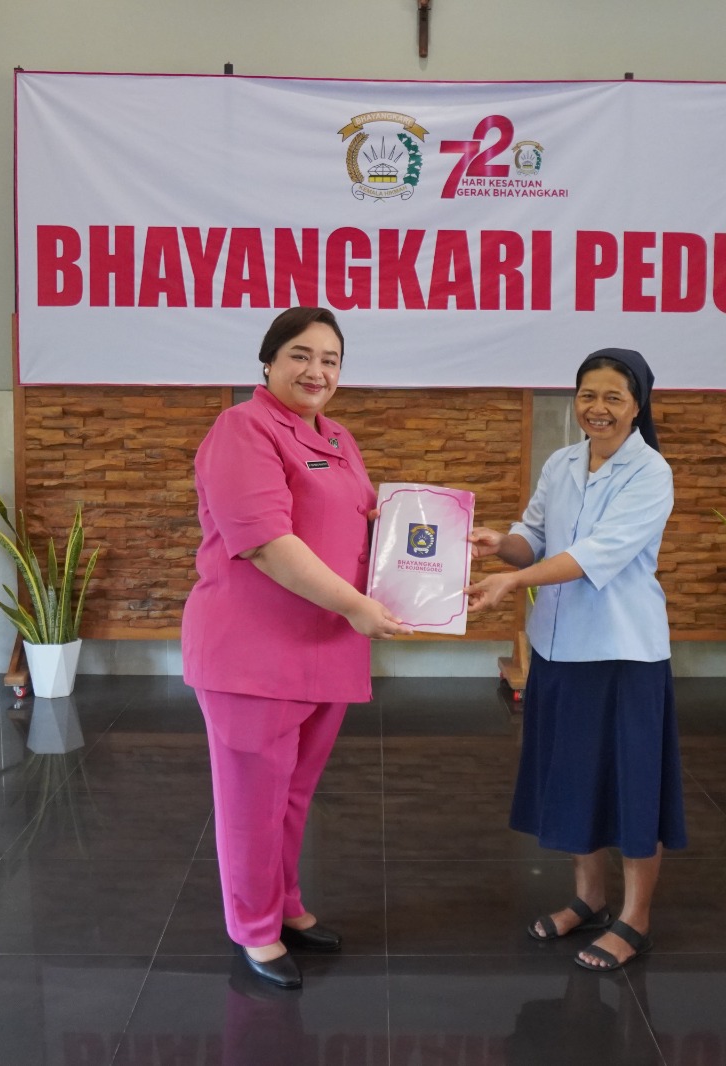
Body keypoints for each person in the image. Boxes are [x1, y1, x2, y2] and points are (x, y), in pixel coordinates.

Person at [182, 307, 408, 989]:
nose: (316, 371)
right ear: (269, 362)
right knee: (252, 802)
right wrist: (358, 606)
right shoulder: (242, 429)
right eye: (300, 355)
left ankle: (284, 906)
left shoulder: (336, 436)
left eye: (330, 359)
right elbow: (264, 543)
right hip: (254, 653)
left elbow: (361, 525)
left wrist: (439, 544)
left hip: (324, 649)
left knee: (292, 795)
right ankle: (253, 929)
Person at [465, 347, 686, 972]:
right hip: (559, 649)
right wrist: (499, 545)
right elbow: (533, 537)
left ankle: (635, 918)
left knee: (632, 785)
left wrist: (515, 580)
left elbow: (596, 555)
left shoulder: (651, 472)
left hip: (623, 654)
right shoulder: (561, 463)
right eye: (588, 395)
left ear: (638, 406)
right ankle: (589, 900)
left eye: (614, 397)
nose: (597, 408)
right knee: (574, 777)